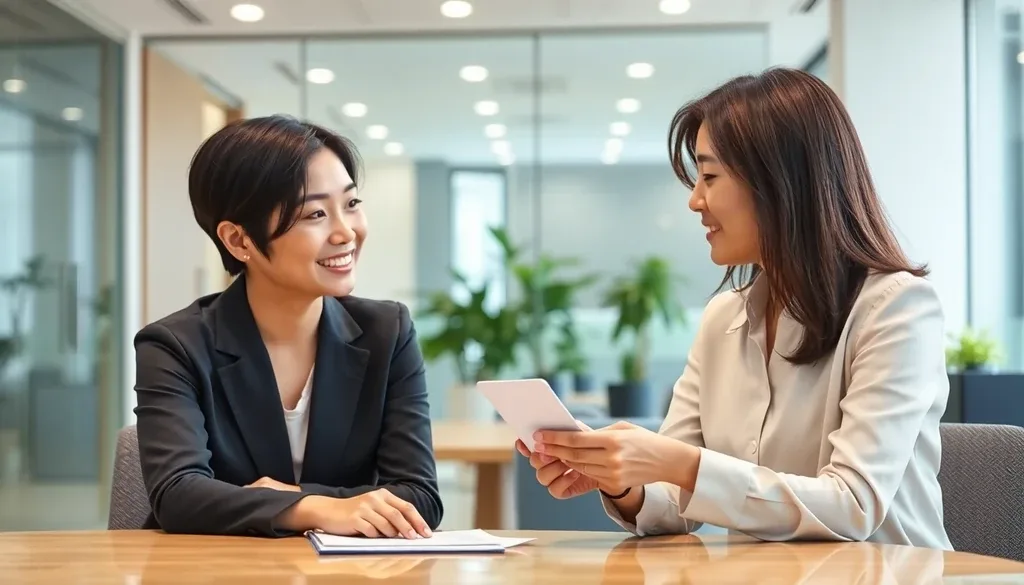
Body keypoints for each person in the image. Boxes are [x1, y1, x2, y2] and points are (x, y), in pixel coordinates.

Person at [517, 68, 953, 549]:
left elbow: (853, 504)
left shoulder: (896, 309)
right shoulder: (722, 319)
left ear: (780, 182)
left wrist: (677, 463)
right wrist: (620, 477)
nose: (694, 201)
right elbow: (673, 501)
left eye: (709, 176)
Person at [133, 115, 442, 538]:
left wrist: (294, 496)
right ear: (239, 240)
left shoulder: (388, 333)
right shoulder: (175, 346)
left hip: (349, 570)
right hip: (215, 566)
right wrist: (316, 508)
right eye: (315, 213)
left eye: (351, 204)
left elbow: (419, 497)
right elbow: (178, 495)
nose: (346, 232)